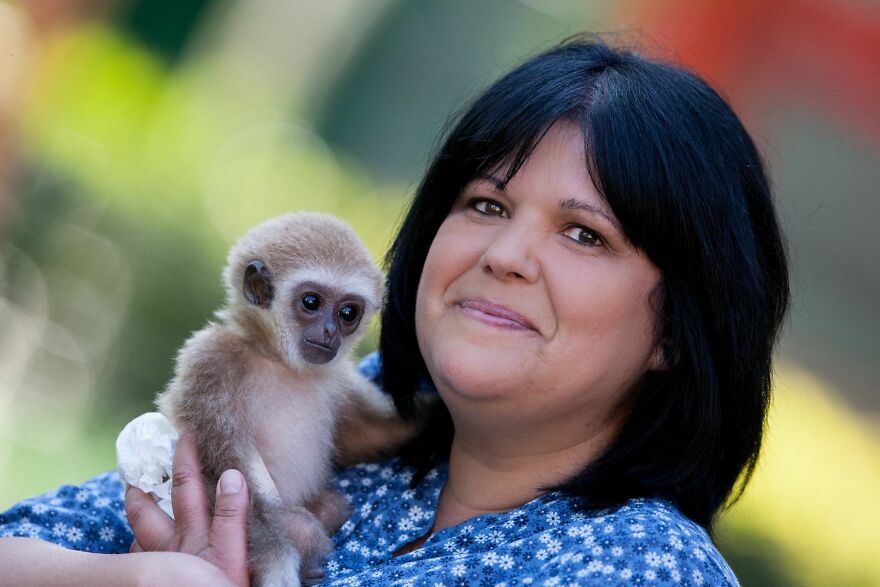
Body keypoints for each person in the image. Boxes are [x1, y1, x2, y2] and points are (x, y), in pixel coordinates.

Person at [0, 37, 788, 585]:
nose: (504, 253)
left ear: (677, 333)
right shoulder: (347, 410)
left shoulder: (642, 567)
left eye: (585, 233)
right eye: (485, 202)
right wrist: (144, 577)